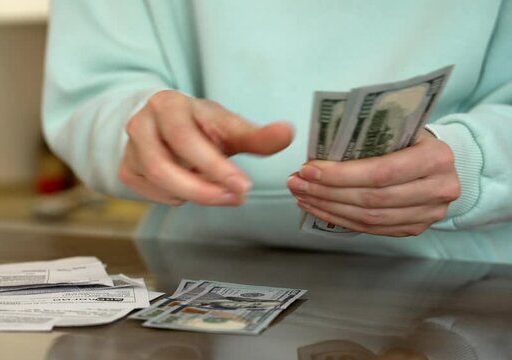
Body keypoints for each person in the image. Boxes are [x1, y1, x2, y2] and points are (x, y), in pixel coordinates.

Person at [42, 1, 512, 262]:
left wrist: (477, 162)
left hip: (476, 278)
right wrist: (140, 131)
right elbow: (93, 88)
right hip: (191, 269)